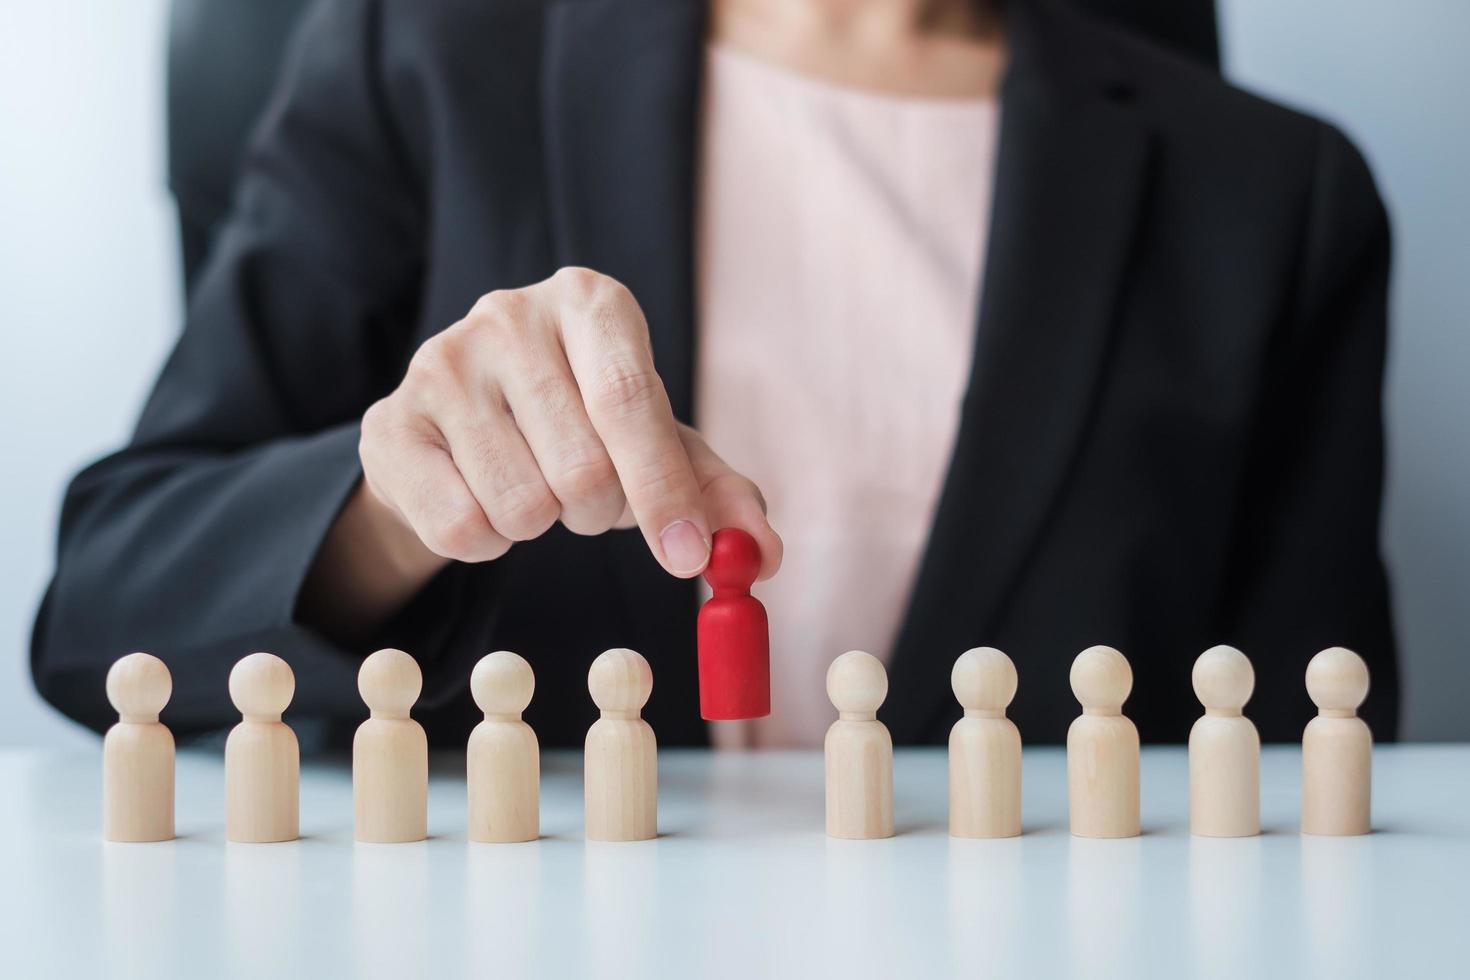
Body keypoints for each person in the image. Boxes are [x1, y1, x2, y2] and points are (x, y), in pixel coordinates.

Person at [31, 0, 1397, 749]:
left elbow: (1314, 750)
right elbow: (101, 614)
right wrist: (394, 513)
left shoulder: (1273, 193)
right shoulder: (429, 49)